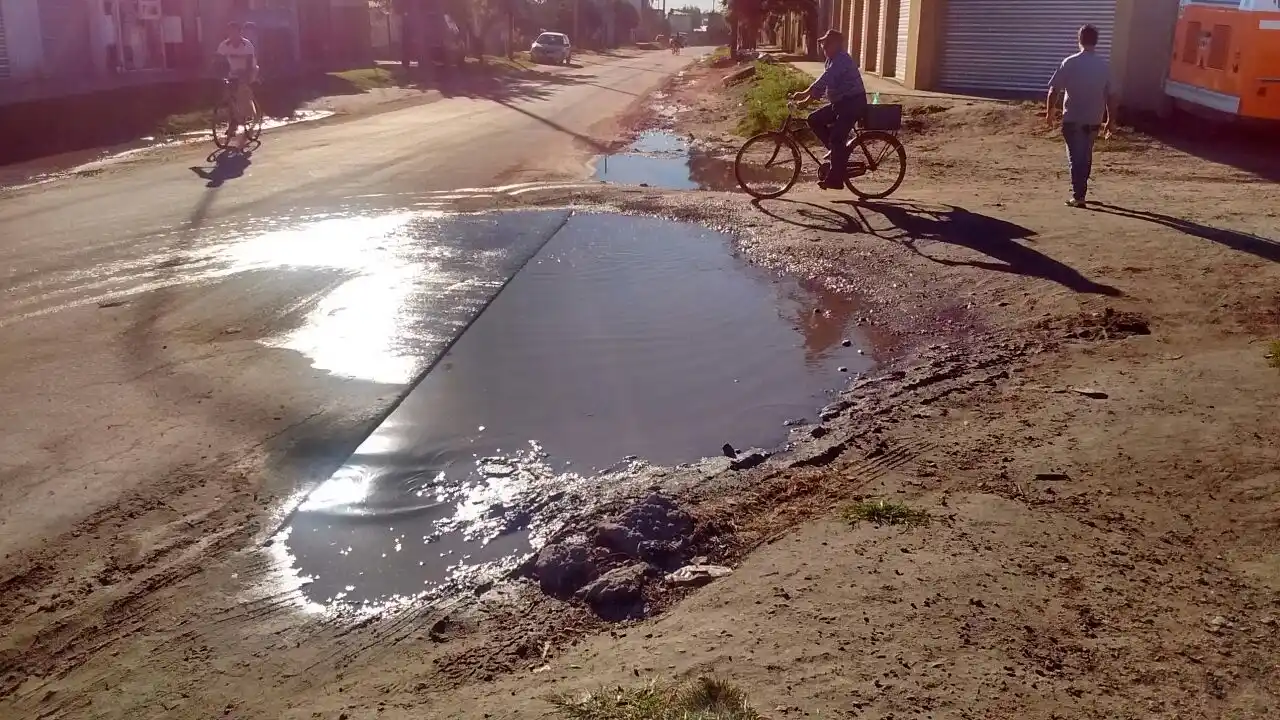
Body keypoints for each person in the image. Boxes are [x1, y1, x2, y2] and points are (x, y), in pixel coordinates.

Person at [1046, 24, 1116, 208]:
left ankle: (1078, 195)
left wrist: (1050, 113)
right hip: (1094, 118)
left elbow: (1054, 89)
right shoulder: (1104, 66)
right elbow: (1111, 95)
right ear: (1097, 41)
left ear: (1079, 40)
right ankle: (1081, 191)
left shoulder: (1069, 62)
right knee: (1085, 154)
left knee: (1075, 157)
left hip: (1073, 117)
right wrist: (1110, 120)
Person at [789, 29, 867, 190]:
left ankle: (836, 180)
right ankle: (837, 153)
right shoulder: (831, 60)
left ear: (837, 44)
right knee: (814, 119)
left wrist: (804, 93)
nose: (823, 46)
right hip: (841, 103)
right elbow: (824, 87)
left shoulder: (842, 60)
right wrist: (807, 100)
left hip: (853, 104)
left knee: (837, 138)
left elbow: (826, 78)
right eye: (823, 43)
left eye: (827, 43)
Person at [215, 21, 259, 151]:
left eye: (235, 32)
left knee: (243, 95)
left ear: (240, 33)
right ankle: (232, 123)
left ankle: (251, 115)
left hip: (249, 71)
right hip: (233, 73)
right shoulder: (224, 45)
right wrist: (217, 75)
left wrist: (245, 77)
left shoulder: (247, 45)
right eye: (230, 32)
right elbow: (218, 61)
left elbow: (250, 63)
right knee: (229, 97)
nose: (232, 35)